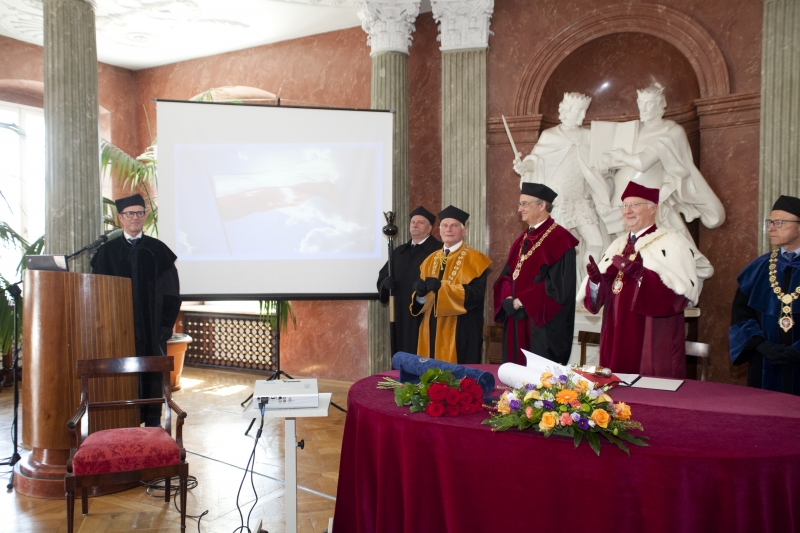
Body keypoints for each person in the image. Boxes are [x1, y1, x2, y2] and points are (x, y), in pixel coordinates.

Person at [581, 182, 713, 378]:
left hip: (650, 336)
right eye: (624, 206)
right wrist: (596, 282)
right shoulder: (618, 246)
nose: (628, 211)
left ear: (653, 207)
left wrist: (642, 275)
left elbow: (678, 296)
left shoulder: (671, 243)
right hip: (616, 336)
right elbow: (602, 299)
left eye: (635, 205)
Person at [91, 194, 181, 427]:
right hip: (116, 327)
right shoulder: (106, 252)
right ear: (120, 218)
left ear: (145, 216)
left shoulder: (158, 250)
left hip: (152, 326)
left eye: (139, 213)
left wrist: (164, 326)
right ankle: (121, 418)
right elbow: (97, 292)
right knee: (121, 372)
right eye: (129, 214)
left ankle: (152, 420)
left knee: (151, 372)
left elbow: (172, 293)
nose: (135, 218)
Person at [603, 84, 725, 243]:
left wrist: (622, 155)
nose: (644, 108)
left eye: (649, 104)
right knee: (622, 250)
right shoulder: (633, 130)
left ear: (661, 104)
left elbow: (642, 162)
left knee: (664, 249)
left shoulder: (671, 131)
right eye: (641, 103)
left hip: (652, 203)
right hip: (620, 201)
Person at [514, 92, 611, 285]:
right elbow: (536, 161)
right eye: (578, 111)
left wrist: (604, 168)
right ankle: (560, 291)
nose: (582, 117)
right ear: (566, 111)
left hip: (581, 201)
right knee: (557, 249)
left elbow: (602, 164)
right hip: (559, 203)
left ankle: (588, 291)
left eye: (584, 112)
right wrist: (524, 166)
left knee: (596, 242)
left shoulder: (589, 136)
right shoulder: (550, 136)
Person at [493, 183, 579, 365]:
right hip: (516, 320)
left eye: (525, 204)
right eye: (519, 204)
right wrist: (508, 297)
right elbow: (507, 274)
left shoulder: (560, 239)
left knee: (539, 384)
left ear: (542, 205)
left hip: (542, 325)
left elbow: (558, 287)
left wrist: (520, 301)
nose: (520, 209)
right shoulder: (522, 239)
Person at [730, 195, 800, 395]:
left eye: (780, 223)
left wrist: (796, 350)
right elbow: (740, 316)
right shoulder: (759, 267)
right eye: (770, 222)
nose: (771, 228)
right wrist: (760, 345)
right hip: (764, 364)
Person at [411, 205, 492, 364]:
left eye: (454, 225)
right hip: (430, 331)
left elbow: (475, 296)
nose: (448, 229)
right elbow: (422, 303)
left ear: (464, 231)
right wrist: (420, 296)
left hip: (461, 330)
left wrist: (442, 288)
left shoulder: (476, 259)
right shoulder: (429, 260)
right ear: (439, 230)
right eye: (444, 225)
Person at [377, 206, 442, 354]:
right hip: (400, 315)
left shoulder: (438, 251)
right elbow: (382, 277)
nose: (415, 225)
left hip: (425, 316)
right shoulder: (399, 252)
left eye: (420, 222)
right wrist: (385, 284)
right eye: (413, 222)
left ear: (429, 228)